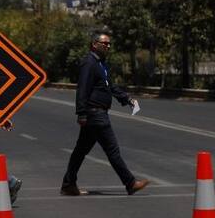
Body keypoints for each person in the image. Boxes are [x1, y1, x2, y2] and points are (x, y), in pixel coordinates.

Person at [60, 31, 149, 196]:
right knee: (112, 150)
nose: (108, 46)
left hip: (96, 114)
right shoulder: (89, 63)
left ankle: (68, 184)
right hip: (96, 114)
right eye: (104, 43)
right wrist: (81, 113)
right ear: (94, 44)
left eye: (109, 44)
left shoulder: (101, 64)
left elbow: (110, 87)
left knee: (80, 151)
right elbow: (83, 89)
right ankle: (130, 183)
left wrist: (127, 99)